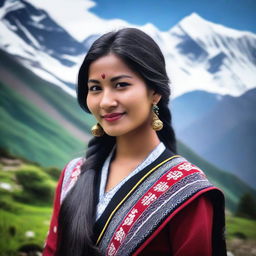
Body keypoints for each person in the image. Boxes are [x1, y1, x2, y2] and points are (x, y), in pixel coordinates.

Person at [43, 28, 226, 256]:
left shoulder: (187, 192)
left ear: (155, 92)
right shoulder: (73, 175)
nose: (106, 102)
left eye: (121, 85)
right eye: (95, 89)